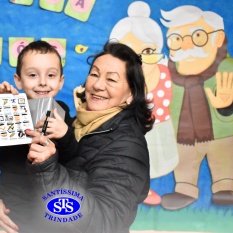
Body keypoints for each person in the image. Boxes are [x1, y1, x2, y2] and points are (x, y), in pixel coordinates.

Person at [25, 41, 154, 233]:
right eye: (94, 74)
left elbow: (103, 223)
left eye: (111, 79)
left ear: (131, 95)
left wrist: (47, 169)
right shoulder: (75, 125)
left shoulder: (127, 146)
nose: (97, 85)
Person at [0, 40, 74, 232]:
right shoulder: (9, 110)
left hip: (54, 211)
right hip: (16, 211)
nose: (42, 82)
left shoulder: (62, 112)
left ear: (60, 81)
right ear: (18, 80)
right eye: (32, 75)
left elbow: (76, 159)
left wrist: (65, 134)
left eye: (50, 75)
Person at [159, 5, 233, 210]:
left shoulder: (229, 68)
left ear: (218, 39)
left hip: (224, 132)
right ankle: (185, 189)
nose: (186, 46)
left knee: (225, 155)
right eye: (177, 39)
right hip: (183, 134)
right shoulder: (168, 73)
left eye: (198, 36)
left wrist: (227, 106)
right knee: (183, 160)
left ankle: (225, 187)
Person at [109, 0, 179, 206]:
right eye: (129, 52)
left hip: (158, 126)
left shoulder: (164, 72)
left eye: (147, 50)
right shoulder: (115, 75)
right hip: (126, 130)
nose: (138, 59)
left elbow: (168, 98)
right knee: (126, 160)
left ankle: (145, 188)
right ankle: (131, 189)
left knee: (151, 162)